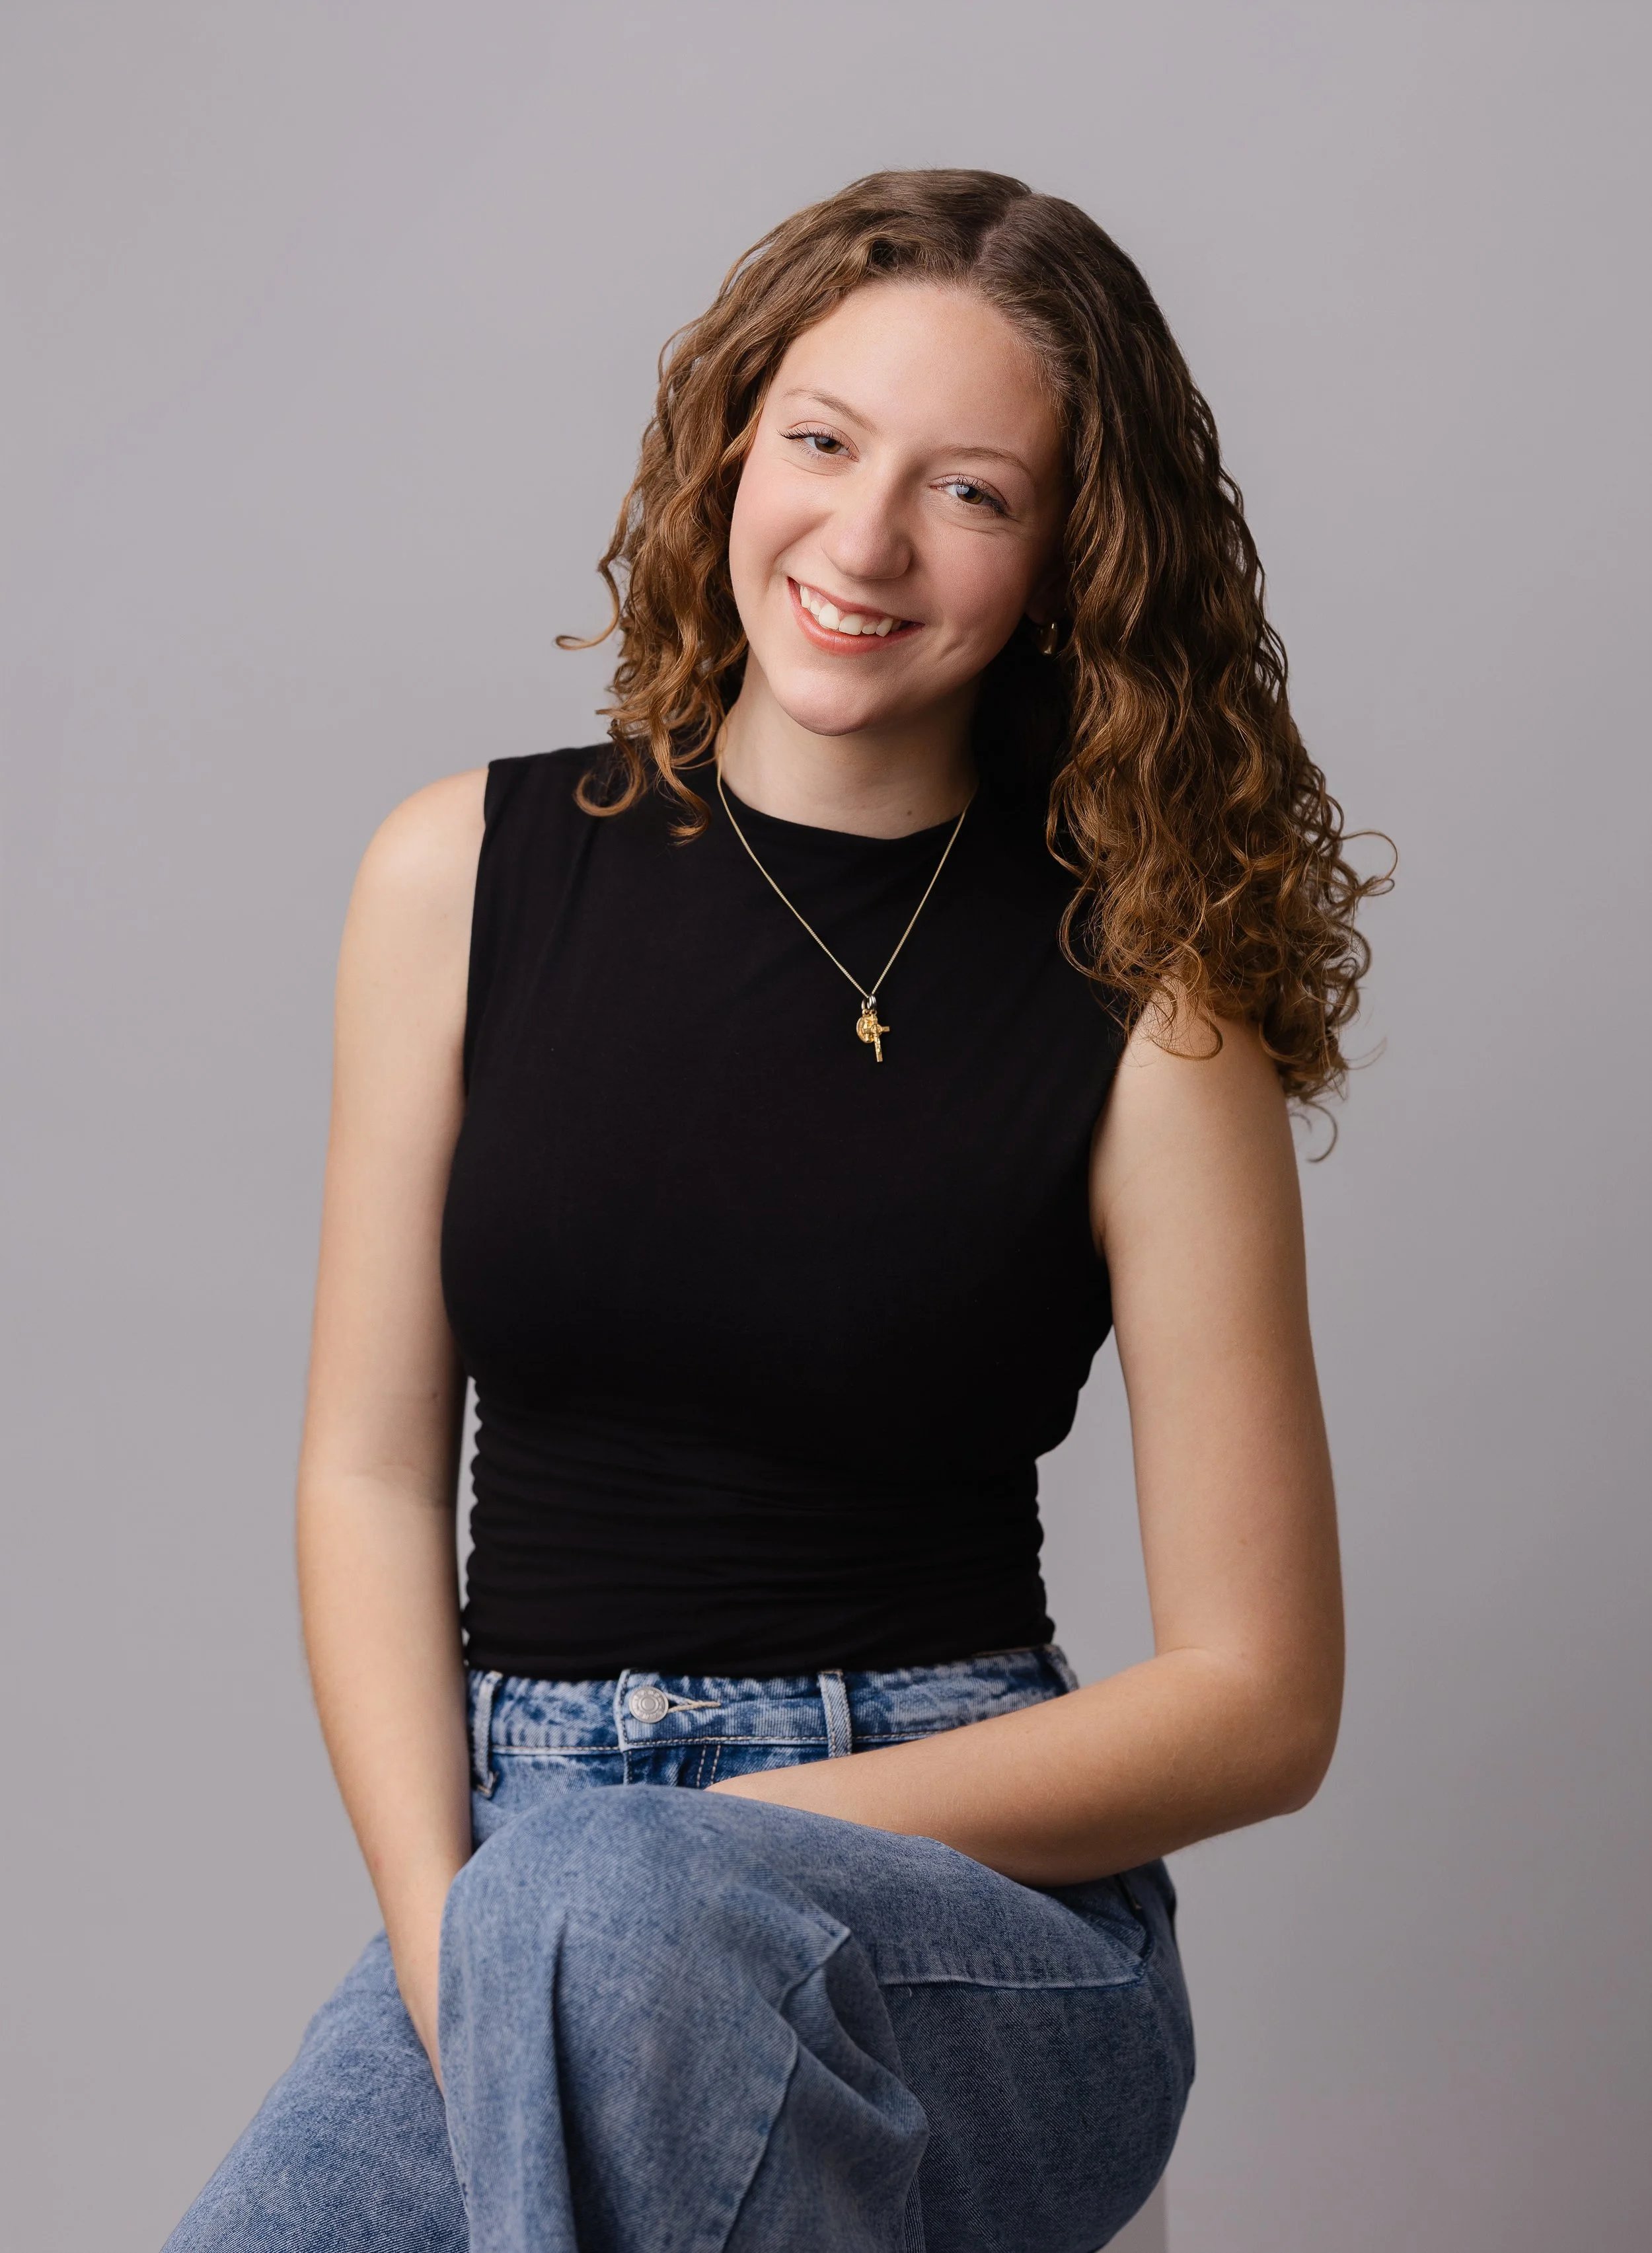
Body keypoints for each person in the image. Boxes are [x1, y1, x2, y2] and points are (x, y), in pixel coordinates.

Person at [166, 169, 1378, 2252]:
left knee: (616, 1901)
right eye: (821, 442)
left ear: (1067, 561)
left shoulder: (1147, 1009)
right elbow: (369, 1476)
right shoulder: (454, 876)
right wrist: (469, 1929)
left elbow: (1259, 1702)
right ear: (732, 439)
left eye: (972, 493)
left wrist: (677, 1856)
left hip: (962, 1909)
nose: (866, 539)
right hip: (515, 1855)